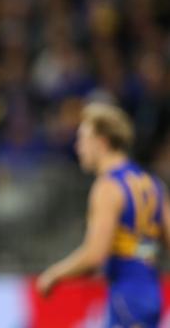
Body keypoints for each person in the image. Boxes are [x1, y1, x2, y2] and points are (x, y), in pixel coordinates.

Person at [37, 102, 170, 327]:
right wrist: (141, 251)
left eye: (83, 138)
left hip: (125, 296)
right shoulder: (152, 183)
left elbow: (95, 254)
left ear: (102, 142)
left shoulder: (108, 187)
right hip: (151, 293)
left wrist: (53, 274)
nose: (78, 147)